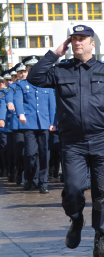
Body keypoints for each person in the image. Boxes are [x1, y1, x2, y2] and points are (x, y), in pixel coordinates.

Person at [28, 25, 104, 257]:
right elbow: (34, 78)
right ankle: (76, 219)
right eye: (74, 39)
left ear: (93, 43)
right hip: (73, 143)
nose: (78, 42)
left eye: (82, 39)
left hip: (102, 139)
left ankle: (100, 239)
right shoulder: (61, 70)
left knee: (102, 192)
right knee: (72, 189)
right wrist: (55, 54)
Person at [14, 56, 56, 193]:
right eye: (29, 67)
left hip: (44, 123)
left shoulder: (47, 84)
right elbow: (18, 99)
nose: (32, 69)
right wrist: (20, 114)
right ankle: (30, 177)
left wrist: (53, 122)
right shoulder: (22, 84)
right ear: (26, 69)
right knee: (30, 153)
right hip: (29, 123)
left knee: (44, 153)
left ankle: (43, 181)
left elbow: (52, 104)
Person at [0, 72, 13, 179]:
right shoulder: (4, 93)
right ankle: (5, 169)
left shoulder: (9, 92)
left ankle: (9, 170)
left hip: (10, 125)